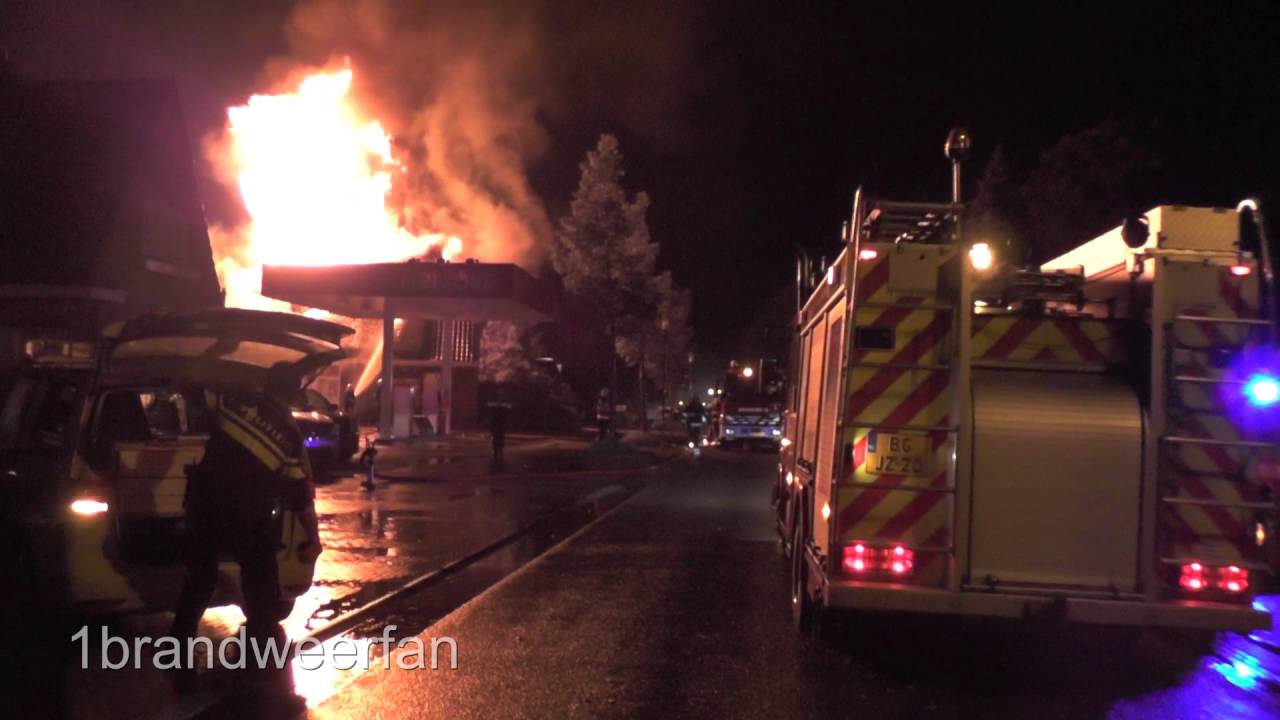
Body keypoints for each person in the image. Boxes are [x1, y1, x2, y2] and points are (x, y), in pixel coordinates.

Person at [170, 362, 322, 706]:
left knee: (201, 576)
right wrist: (313, 539)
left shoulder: (235, 401)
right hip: (247, 516)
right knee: (262, 588)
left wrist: (197, 367)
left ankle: (178, 644)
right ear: (291, 393)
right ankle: (261, 676)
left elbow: (195, 393)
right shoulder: (289, 434)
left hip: (206, 504)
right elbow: (299, 496)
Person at [487, 389, 511, 465]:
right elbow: (488, 405)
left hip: (501, 421)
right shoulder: (494, 400)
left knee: (500, 436)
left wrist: (501, 404)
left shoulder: (505, 400)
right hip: (495, 421)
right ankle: (496, 451)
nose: (499, 394)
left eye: (501, 393)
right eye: (499, 393)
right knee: (495, 436)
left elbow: (510, 407)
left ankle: (500, 450)